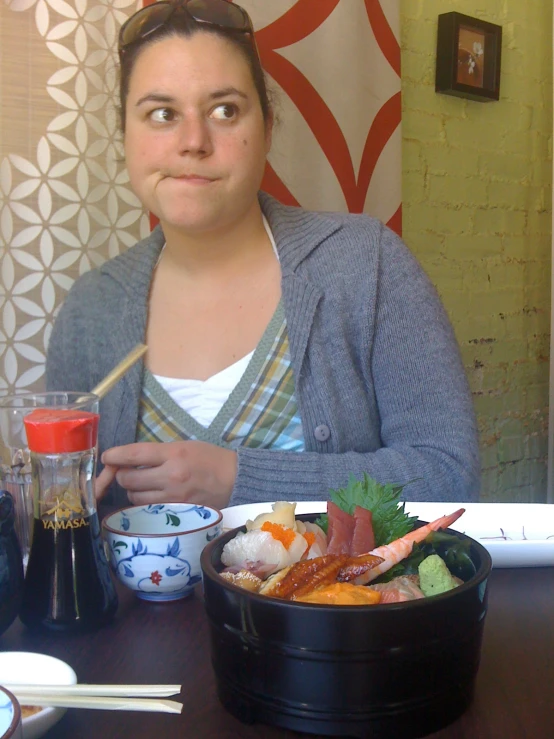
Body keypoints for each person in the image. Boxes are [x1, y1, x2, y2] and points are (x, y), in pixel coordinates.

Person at [46, 0, 480, 511]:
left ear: (268, 127)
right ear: (125, 135)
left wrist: (240, 479)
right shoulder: (90, 309)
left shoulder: (367, 265)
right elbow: (61, 507)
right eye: (162, 114)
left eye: (224, 110)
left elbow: (449, 473)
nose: (193, 141)